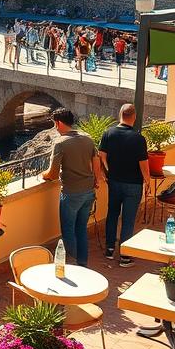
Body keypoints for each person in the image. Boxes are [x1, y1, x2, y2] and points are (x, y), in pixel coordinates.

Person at [40, 108, 104, 267]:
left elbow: (53, 174)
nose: (55, 127)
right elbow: (96, 160)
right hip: (89, 191)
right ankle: (83, 265)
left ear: (59, 122)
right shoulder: (87, 139)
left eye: (55, 123)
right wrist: (97, 180)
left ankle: (73, 265)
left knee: (68, 231)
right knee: (81, 229)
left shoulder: (61, 143)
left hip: (71, 193)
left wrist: (43, 175)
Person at [98, 104, 150, 266]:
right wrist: (147, 181)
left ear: (119, 115)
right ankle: (125, 256)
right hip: (133, 184)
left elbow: (101, 155)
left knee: (112, 214)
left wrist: (108, 170)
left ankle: (109, 250)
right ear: (134, 117)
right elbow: (143, 164)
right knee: (128, 220)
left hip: (114, 181)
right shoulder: (138, 138)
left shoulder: (108, 133)